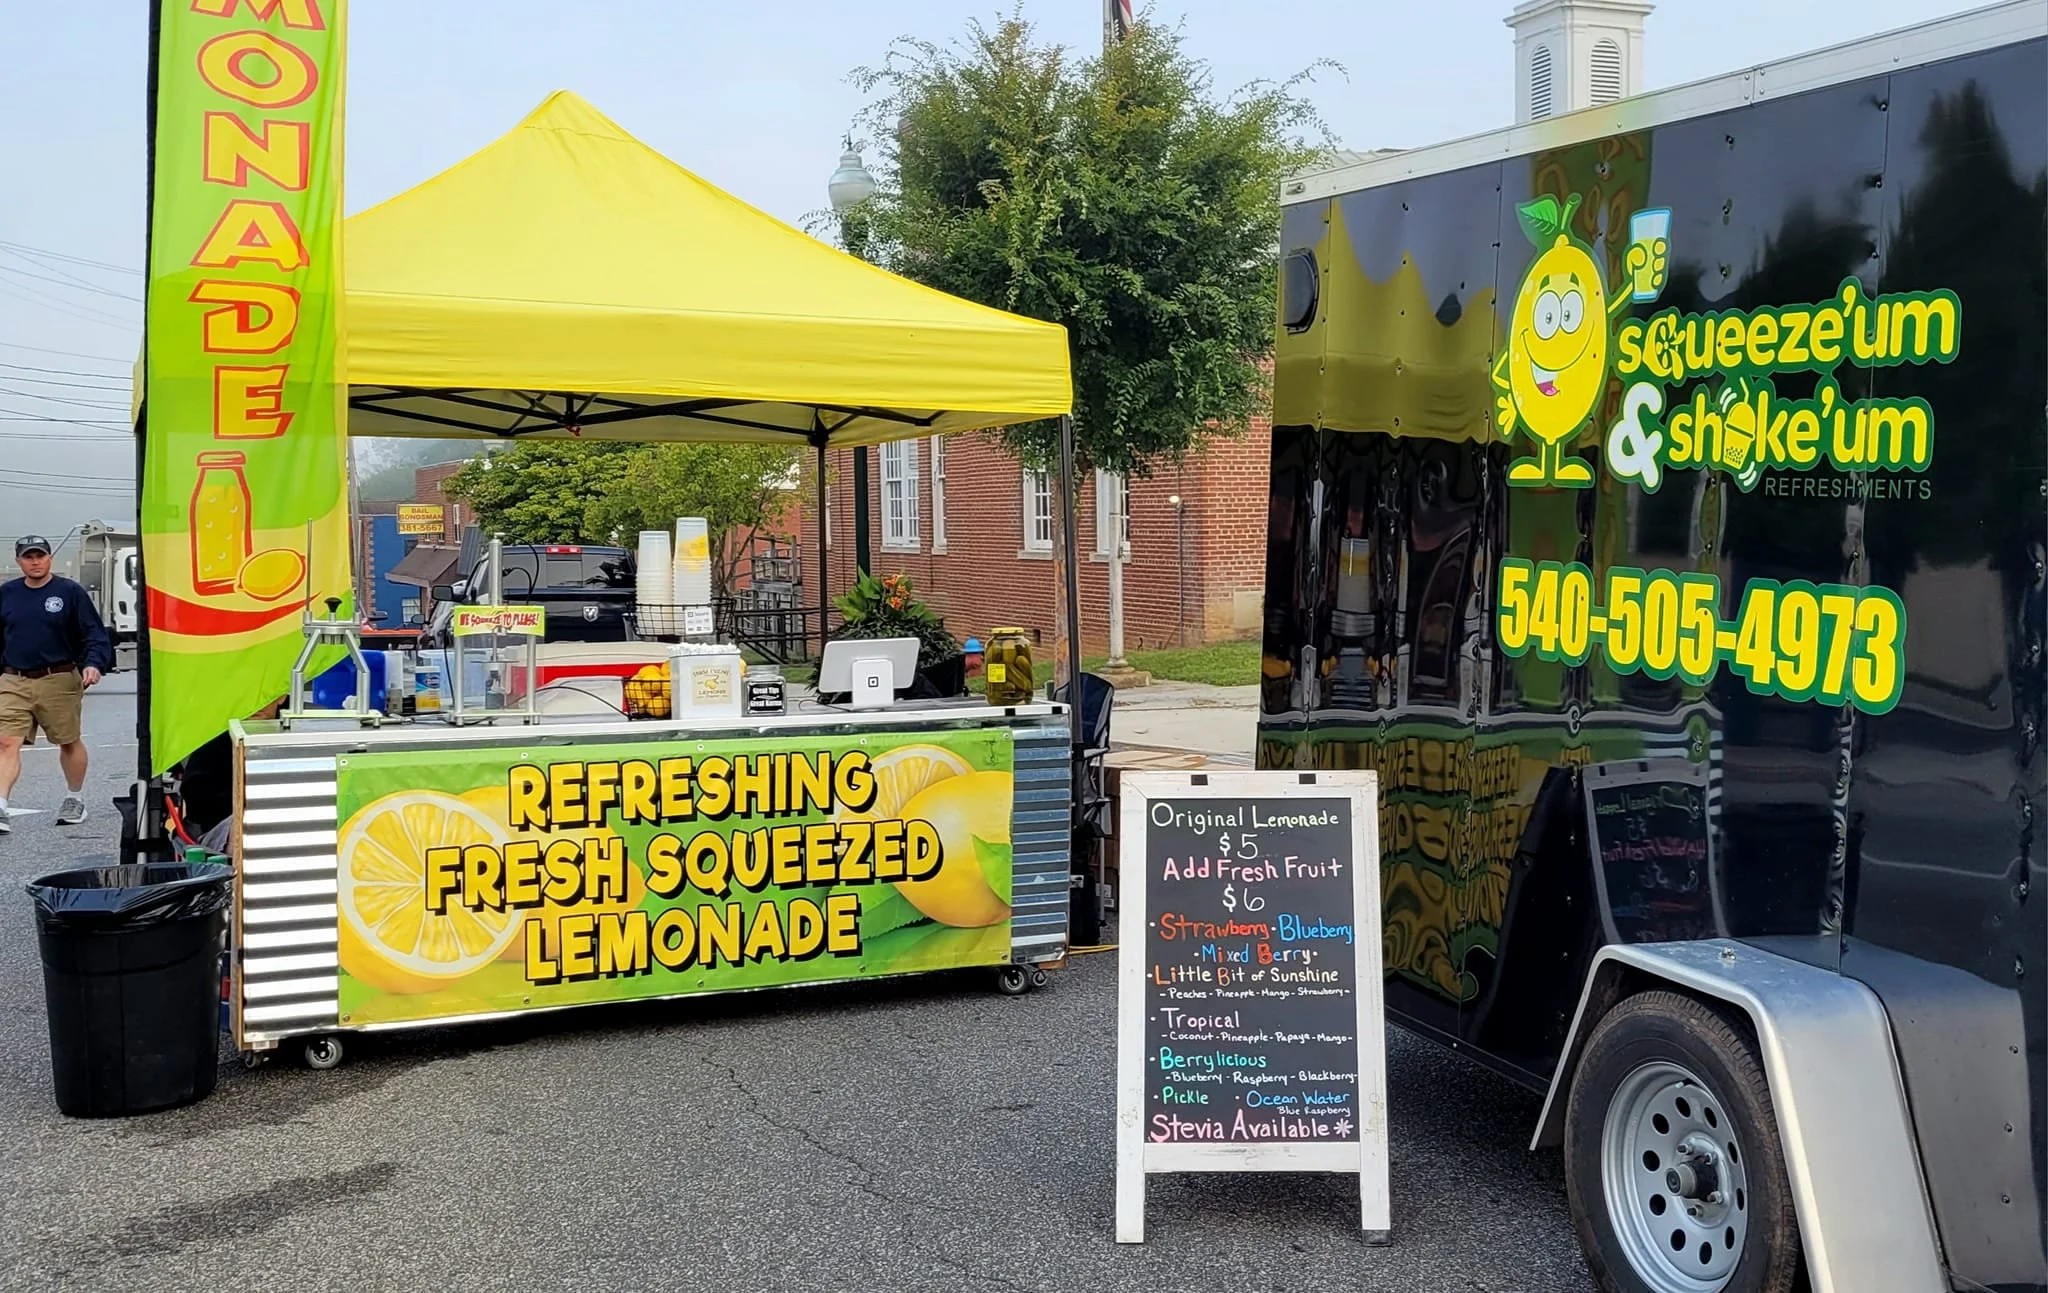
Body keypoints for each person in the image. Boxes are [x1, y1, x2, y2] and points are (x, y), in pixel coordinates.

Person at [0, 535, 113, 833]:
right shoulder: (7, 594)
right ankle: (0, 806)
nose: (35, 561)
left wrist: (93, 663)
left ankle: (74, 798)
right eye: (28, 557)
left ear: (50, 558)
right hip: (14, 678)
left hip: (59, 677)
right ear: (19, 561)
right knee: (6, 741)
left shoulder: (69, 592)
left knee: (68, 740)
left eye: (40, 555)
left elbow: (94, 633)